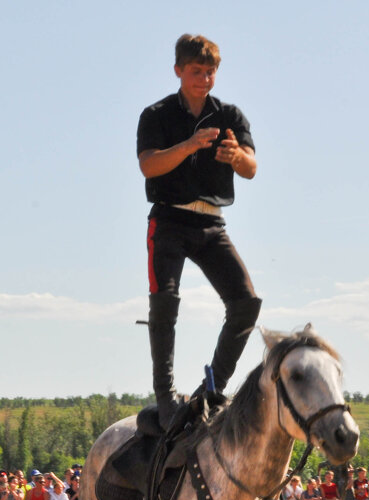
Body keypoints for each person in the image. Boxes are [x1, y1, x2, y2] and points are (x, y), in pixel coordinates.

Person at [137, 34, 261, 429]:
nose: (204, 79)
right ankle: (165, 394)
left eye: (210, 72)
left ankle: (213, 389)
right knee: (165, 299)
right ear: (178, 71)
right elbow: (149, 166)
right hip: (169, 219)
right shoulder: (156, 114)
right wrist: (190, 145)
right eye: (196, 72)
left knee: (245, 302)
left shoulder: (230, 115)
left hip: (211, 221)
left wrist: (235, 155)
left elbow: (251, 167)